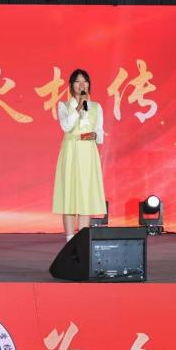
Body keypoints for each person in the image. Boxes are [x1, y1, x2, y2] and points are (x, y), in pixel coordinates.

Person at [52, 68, 106, 241]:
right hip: (70, 152)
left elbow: (100, 135)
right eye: (77, 81)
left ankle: (82, 242)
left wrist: (92, 135)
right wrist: (78, 107)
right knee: (69, 196)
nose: (82, 84)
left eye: (85, 81)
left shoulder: (96, 107)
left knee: (85, 197)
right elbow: (66, 126)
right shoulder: (63, 106)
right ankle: (69, 240)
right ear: (71, 85)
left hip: (88, 154)